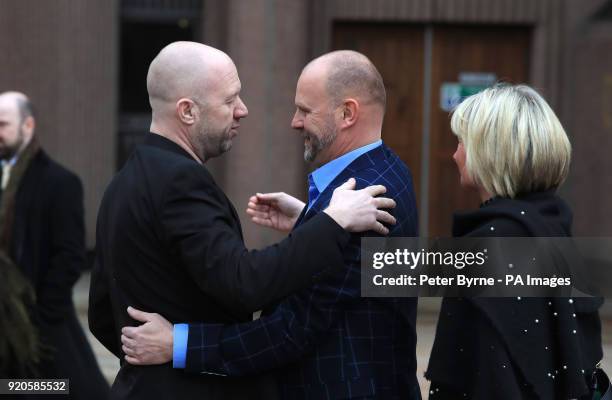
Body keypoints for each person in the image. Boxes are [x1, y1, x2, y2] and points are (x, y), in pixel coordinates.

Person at [89, 43, 398, 400]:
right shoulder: (179, 182)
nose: (243, 111)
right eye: (229, 100)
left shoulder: (124, 181)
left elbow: (101, 313)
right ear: (187, 111)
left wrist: (309, 222)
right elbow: (244, 283)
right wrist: (330, 222)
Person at [425, 84, 603, 399]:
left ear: (488, 153)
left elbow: (490, 378)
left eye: (462, 142)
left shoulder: (492, 245)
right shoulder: (550, 225)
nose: (455, 154)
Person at [0, 92, 109, 398]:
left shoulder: (59, 183)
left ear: (28, 126)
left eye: (3, 125)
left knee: (53, 389)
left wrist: (42, 311)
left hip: (37, 322)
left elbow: (70, 254)